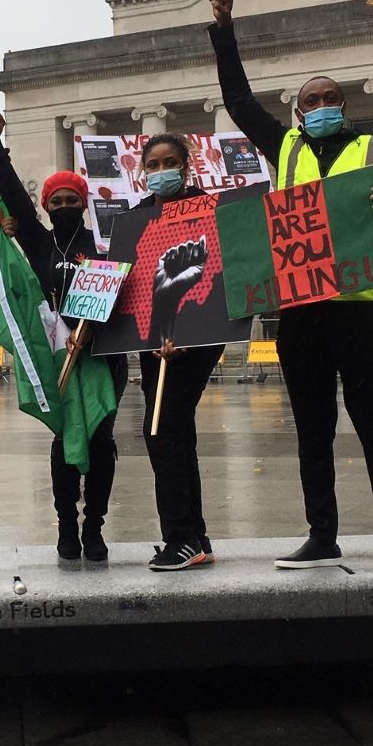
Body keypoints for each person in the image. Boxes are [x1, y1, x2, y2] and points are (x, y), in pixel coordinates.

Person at [207, 0, 373, 577]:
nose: (325, 103)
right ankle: (321, 535)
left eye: (332, 97)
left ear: (344, 104)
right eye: (313, 100)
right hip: (301, 313)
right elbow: (238, 100)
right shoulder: (285, 148)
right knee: (312, 431)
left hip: (362, 311)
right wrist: (225, 30)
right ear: (300, 113)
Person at [0, 112, 129, 560]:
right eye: (57, 200)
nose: (64, 205)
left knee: (101, 440)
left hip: (101, 357)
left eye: (72, 199)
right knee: (64, 437)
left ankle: (95, 527)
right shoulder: (40, 243)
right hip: (56, 358)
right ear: (47, 207)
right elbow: (13, 200)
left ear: (83, 204)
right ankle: (66, 525)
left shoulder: (104, 246)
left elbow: (120, 294)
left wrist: (92, 333)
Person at [130, 134, 226, 571]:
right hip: (155, 343)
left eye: (170, 162)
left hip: (195, 337)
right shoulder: (136, 218)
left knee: (163, 431)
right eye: (153, 164)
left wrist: (189, 329)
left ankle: (182, 536)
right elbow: (131, 283)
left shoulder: (209, 208)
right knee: (173, 431)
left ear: (186, 167)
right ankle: (194, 536)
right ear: (143, 170)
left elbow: (220, 271)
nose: (161, 170)